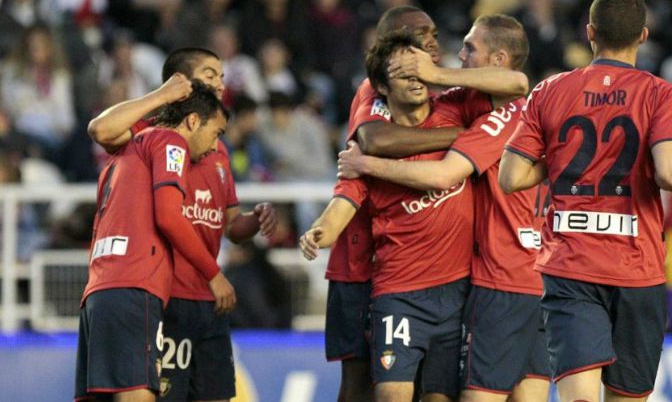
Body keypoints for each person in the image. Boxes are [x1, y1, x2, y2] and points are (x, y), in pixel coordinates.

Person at [337, 14, 551, 402]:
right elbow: (372, 137)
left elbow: (442, 175)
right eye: (421, 40)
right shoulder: (377, 90)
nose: (436, 49)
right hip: (391, 272)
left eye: (441, 39)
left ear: (498, 57)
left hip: (496, 280)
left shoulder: (486, 107)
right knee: (363, 385)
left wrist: (436, 79)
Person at [499, 0, 672, 401]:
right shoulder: (661, 94)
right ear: (643, 35)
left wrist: (564, 158)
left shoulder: (549, 91)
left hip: (571, 265)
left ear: (590, 32)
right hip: (638, 269)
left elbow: (511, 176)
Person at [301, 31, 497, 402]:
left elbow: (517, 85)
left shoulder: (456, 109)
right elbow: (344, 199)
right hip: (400, 294)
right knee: (391, 395)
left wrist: (443, 75)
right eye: (403, 72)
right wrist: (318, 231)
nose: (416, 78)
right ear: (380, 87)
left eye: (419, 68)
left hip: (458, 291)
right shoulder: (366, 150)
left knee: (440, 398)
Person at [87, 47, 278, 402]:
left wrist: (254, 221)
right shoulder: (156, 133)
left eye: (221, 75)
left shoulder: (215, 148)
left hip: (209, 299)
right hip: (164, 293)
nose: (220, 83)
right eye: (210, 74)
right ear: (181, 83)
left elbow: (229, 224)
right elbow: (100, 129)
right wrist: (161, 97)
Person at [75, 82, 234, 401]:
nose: (215, 146)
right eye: (216, 133)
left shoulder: (122, 154)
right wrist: (213, 274)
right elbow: (169, 216)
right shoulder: (169, 141)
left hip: (99, 292)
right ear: (192, 121)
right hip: (135, 287)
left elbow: (102, 129)